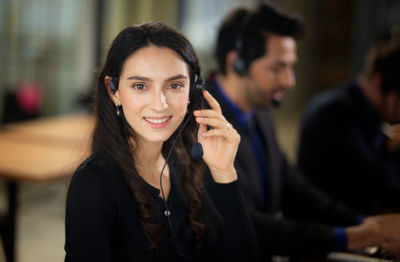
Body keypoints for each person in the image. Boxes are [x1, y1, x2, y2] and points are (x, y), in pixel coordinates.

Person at [208, 2, 400, 260]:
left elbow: (295, 190)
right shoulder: (201, 125)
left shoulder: (259, 114)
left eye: (290, 66)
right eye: (278, 68)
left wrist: (365, 224)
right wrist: (350, 237)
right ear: (237, 62)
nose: (290, 81)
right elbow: (242, 221)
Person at [64, 22, 259, 261]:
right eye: (140, 86)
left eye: (175, 85)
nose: (160, 104)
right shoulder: (93, 185)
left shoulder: (188, 161)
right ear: (114, 91)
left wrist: (224, 171)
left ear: (193, 92)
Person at [298, 38, 400, 215]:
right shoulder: (335, 113)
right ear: (378, 82)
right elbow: (380, 181)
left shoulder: (364, 111)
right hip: (329, 230)